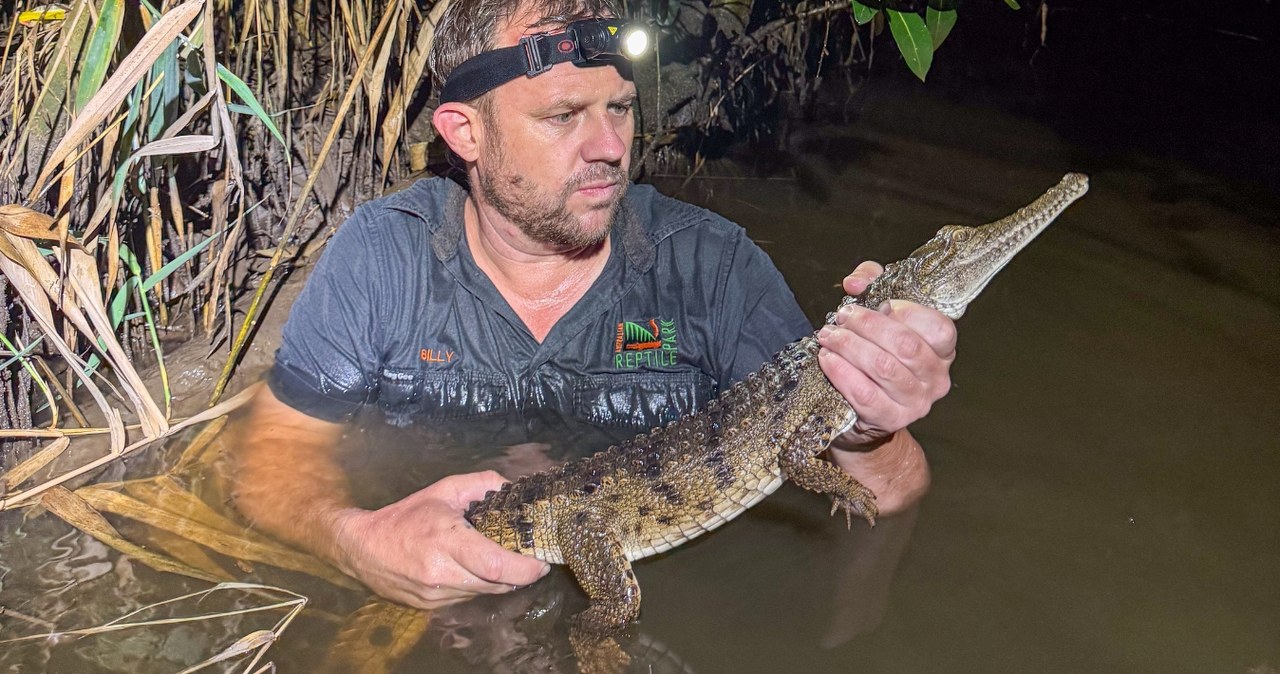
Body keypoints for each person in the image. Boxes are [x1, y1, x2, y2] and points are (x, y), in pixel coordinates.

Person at [230, 0, 955, 612]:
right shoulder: (383, 256)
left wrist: (868, 427)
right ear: (465, 133)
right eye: (562, 115)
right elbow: (270, 459)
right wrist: (354, 541)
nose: (610, 146)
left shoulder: (712, 268)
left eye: (620, 108)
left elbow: (892, 497)